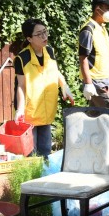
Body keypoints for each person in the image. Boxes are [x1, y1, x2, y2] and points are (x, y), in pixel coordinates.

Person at [14, 19, 74, 158]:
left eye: (45, 32)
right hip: (30, 111)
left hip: (46, 109)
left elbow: (56, 71)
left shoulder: (50, 51)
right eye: (39, 34)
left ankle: (45, 178)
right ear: (29, 38)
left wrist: (64, 86)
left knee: (46, 150)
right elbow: (21, 86)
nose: (44, 37)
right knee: (30, 152)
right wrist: (20, 109)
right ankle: (33, 178)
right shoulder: (22, 58)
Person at [79, 0, 109, 109]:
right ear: (98, 9)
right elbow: (83, 58)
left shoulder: (101, 28)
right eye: (107, 8)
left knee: (97, 120)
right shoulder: (88, 29)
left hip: (105, 80)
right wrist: (88, 83)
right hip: (97, 82)